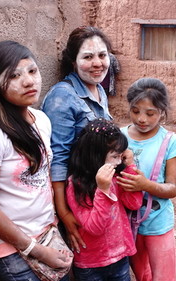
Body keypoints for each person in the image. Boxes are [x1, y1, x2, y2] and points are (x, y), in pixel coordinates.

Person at [0, 40, 72, 281]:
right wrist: (36, 250)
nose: (28, 81)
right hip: (11, 248)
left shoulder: (41, 120)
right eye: (14, 75)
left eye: (32, 71)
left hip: (47, 233)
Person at [41, 26, 113, 251]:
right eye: (88, 57)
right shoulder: (62, 97)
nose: (98, 63)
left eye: (102, 55)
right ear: (73, 61)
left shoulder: (98, 89)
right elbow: (58, 159)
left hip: (97, 192)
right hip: (77, 199)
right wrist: (63, 212)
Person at [117, 78, 176, 281]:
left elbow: (172, 189)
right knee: (141, 273)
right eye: (135, 111)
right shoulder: (120, 136)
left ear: (162, 111)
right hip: (127, 222)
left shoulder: (170, 141)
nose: (142, 119)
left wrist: (145, 186)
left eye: (150, 113)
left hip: (158, 223)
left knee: (163, 275)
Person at [66, 118, 143, 280]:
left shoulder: (116, 176)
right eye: (114, 156)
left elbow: (134, 204)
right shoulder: (77, 185)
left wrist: (129, 168)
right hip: (91, 265)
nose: (118, 162)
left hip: (120, 257)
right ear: (95, 156)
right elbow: (95, 228)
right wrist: (102, 190)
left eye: (120, 156)